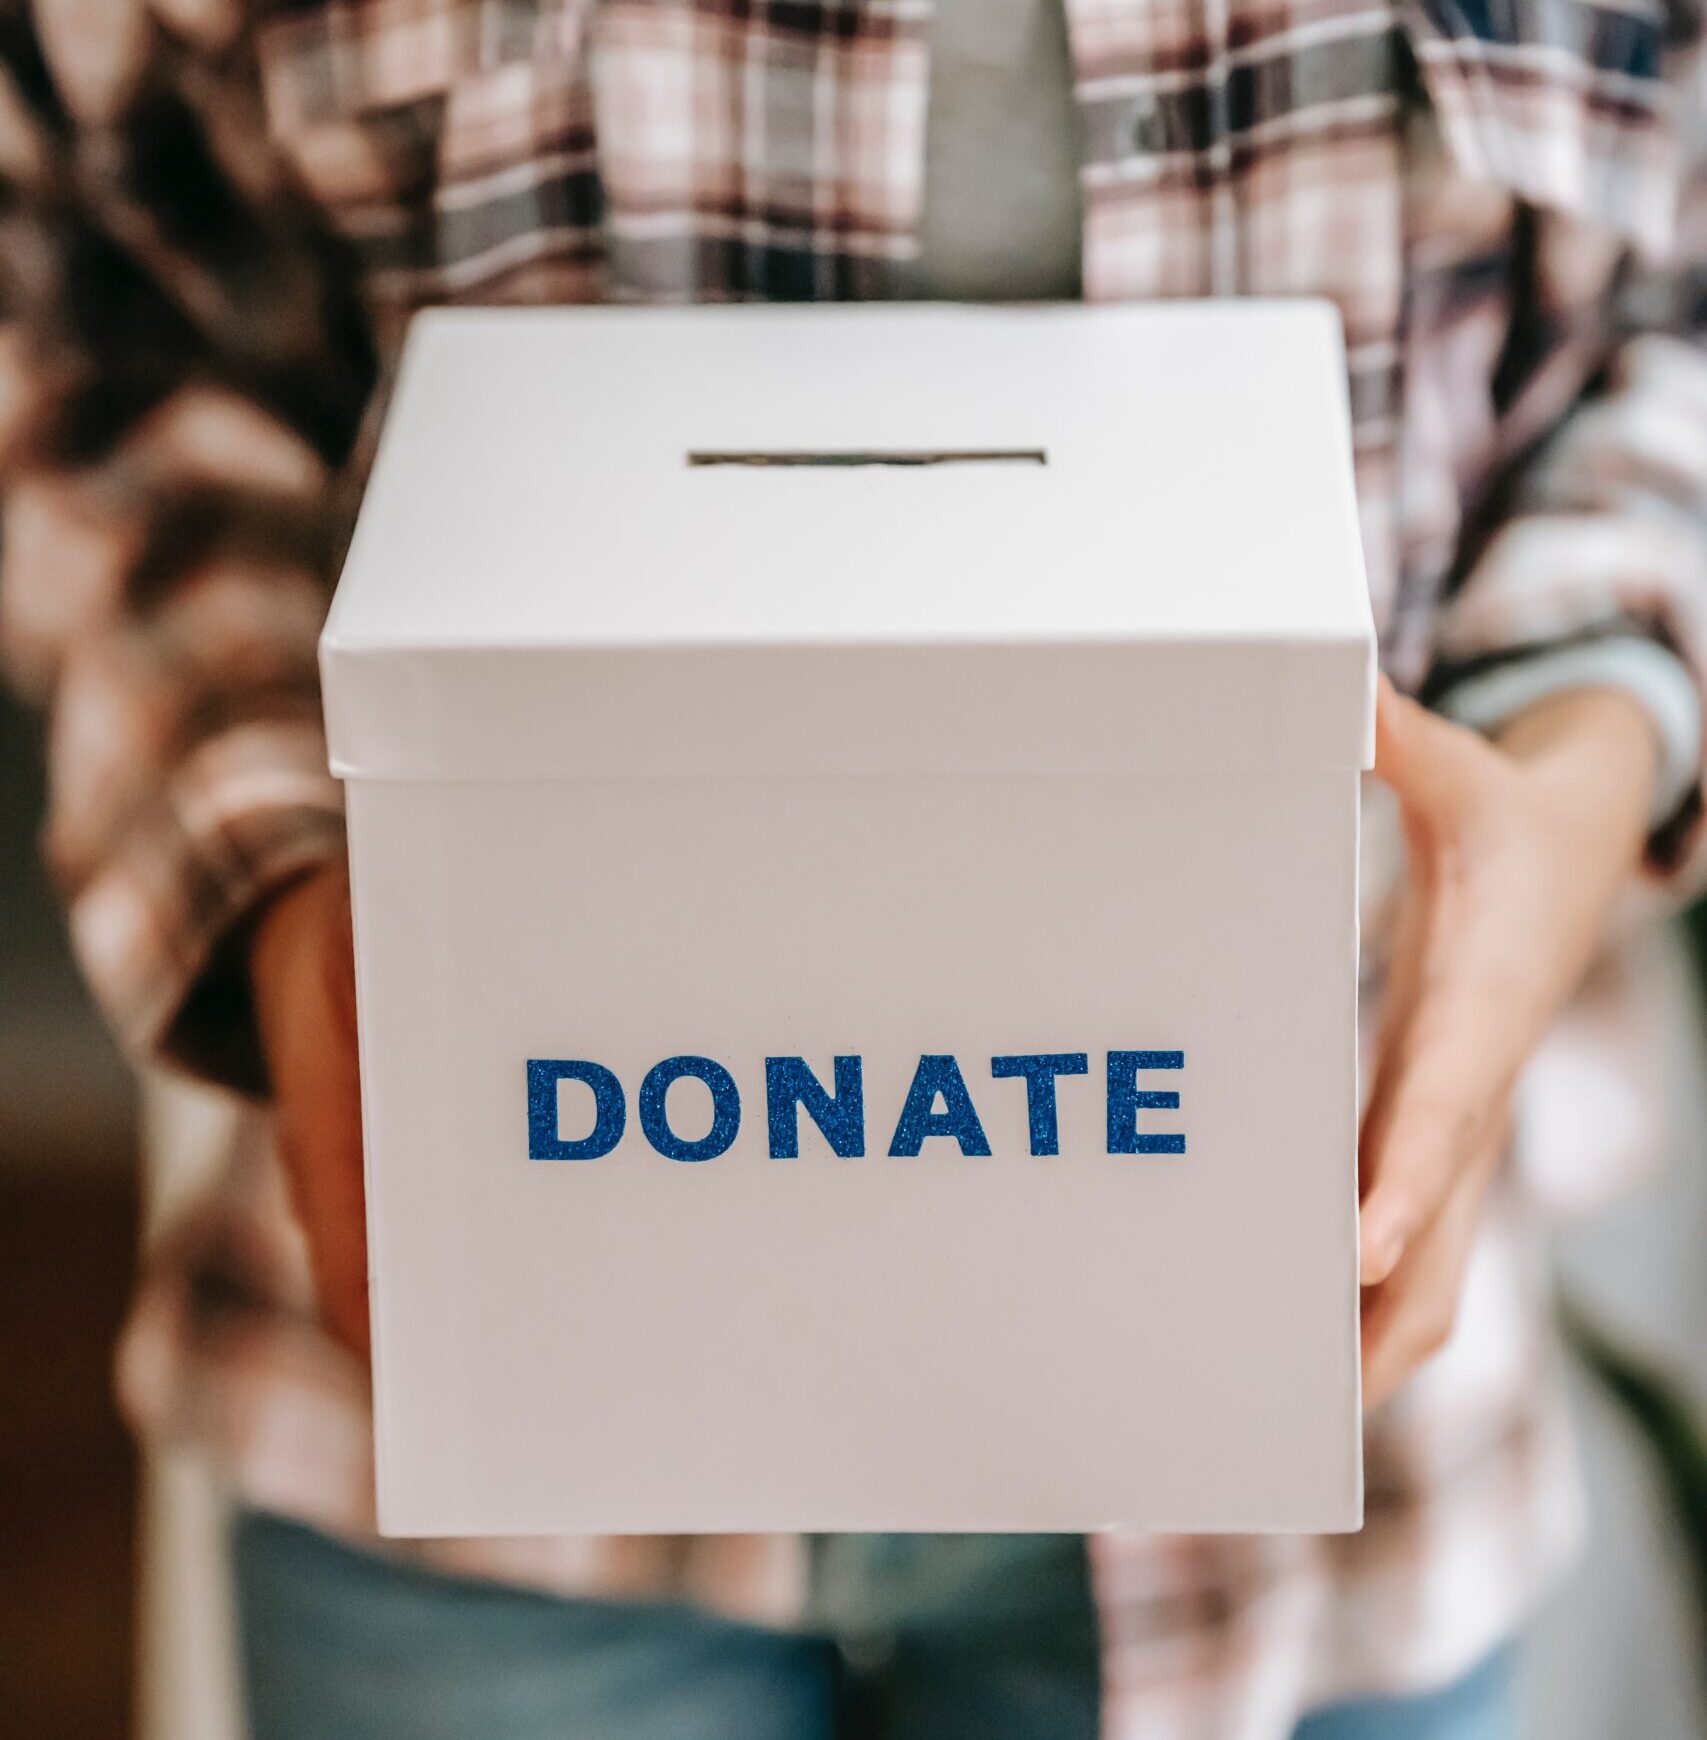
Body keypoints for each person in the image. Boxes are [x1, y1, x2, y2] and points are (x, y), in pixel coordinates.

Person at [1, 0, 1703, 1735]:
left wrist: (1578, 758)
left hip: (1309, 1409)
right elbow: (67, 267)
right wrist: (282, 874)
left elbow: (1682, 315)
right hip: (483, 1397)